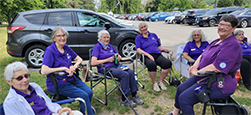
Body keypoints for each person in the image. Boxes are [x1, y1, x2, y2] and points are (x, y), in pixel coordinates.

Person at [168, 14, 242, 115]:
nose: (221, 27)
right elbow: (202, 55)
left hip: (220, 83)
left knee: (184, 99)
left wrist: (197, 72)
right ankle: (175, 112)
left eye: (226, 25)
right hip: (206, 77)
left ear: (234, 28)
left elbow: (217, 67)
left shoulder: (232, 44)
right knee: (180, 89)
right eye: (220, 24)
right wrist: (194, 66)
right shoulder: (217, 41)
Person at [40, 26, 94, 115]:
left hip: (71, 78)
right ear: (54, 38)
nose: (62, 38)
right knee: (83, 95)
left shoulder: (66, 48)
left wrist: (74, 66)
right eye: (59, 36)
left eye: (64, 35)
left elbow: (79, 59)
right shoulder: (50, 51)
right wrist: (63, 68)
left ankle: (84, 110)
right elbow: (43, 70)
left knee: (89, 92)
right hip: (58, 83)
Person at [3, 61, 83, 115]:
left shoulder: (34, 87)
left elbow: (49, 103)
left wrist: (59, 110)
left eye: (26, 76)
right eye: (19, 78)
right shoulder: (10, 103)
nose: (25, 80)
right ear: (9, 82)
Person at [91, 30, 144, 107]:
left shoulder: (110, 46)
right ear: (100, 39)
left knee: (131, 72)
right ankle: (124, 99)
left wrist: (119, 56)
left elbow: (117, 54)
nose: (106, 39)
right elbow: (93, 62)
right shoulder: (97, 47)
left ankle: (134, 94)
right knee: (124, 74)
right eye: (104, 37)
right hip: (105, 68)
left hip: (115, 66)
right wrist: (107, 60)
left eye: (108, 37)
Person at [135, 22, 173, 92]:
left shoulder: (153, 35)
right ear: (140, 29)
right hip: (145, 56)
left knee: (168, 63)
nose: (144, 28)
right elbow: (138, 49)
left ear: (147, 27)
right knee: (152, 64)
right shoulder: (138, 38)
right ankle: (155, 83)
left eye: (145, 26)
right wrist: (148, 55)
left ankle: (160, 81)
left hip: (157, 54)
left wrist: (167, 50)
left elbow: (159, 46)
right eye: (142, 27)